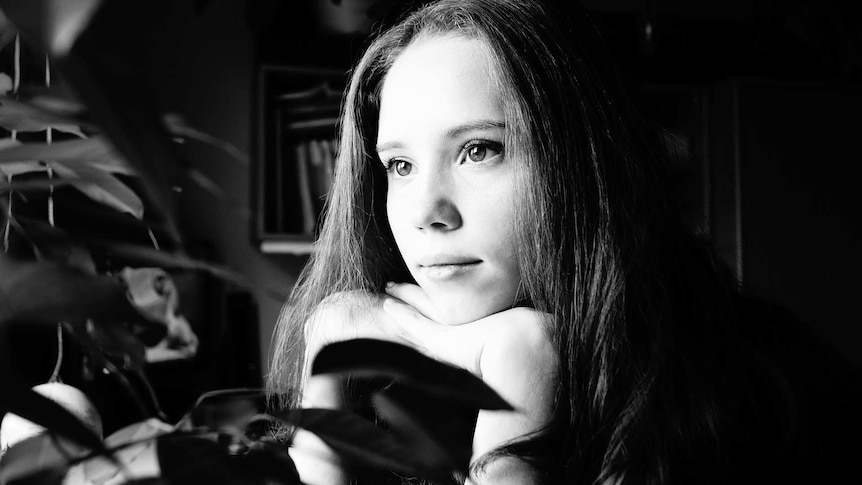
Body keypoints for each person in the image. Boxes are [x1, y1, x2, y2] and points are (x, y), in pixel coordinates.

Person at [267, 0, 802, 483]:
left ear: (578, 167)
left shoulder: (747, 396)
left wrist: (518, 377)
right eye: (400, 166)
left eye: (479, 150)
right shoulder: (378, 386)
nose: (426, 213)